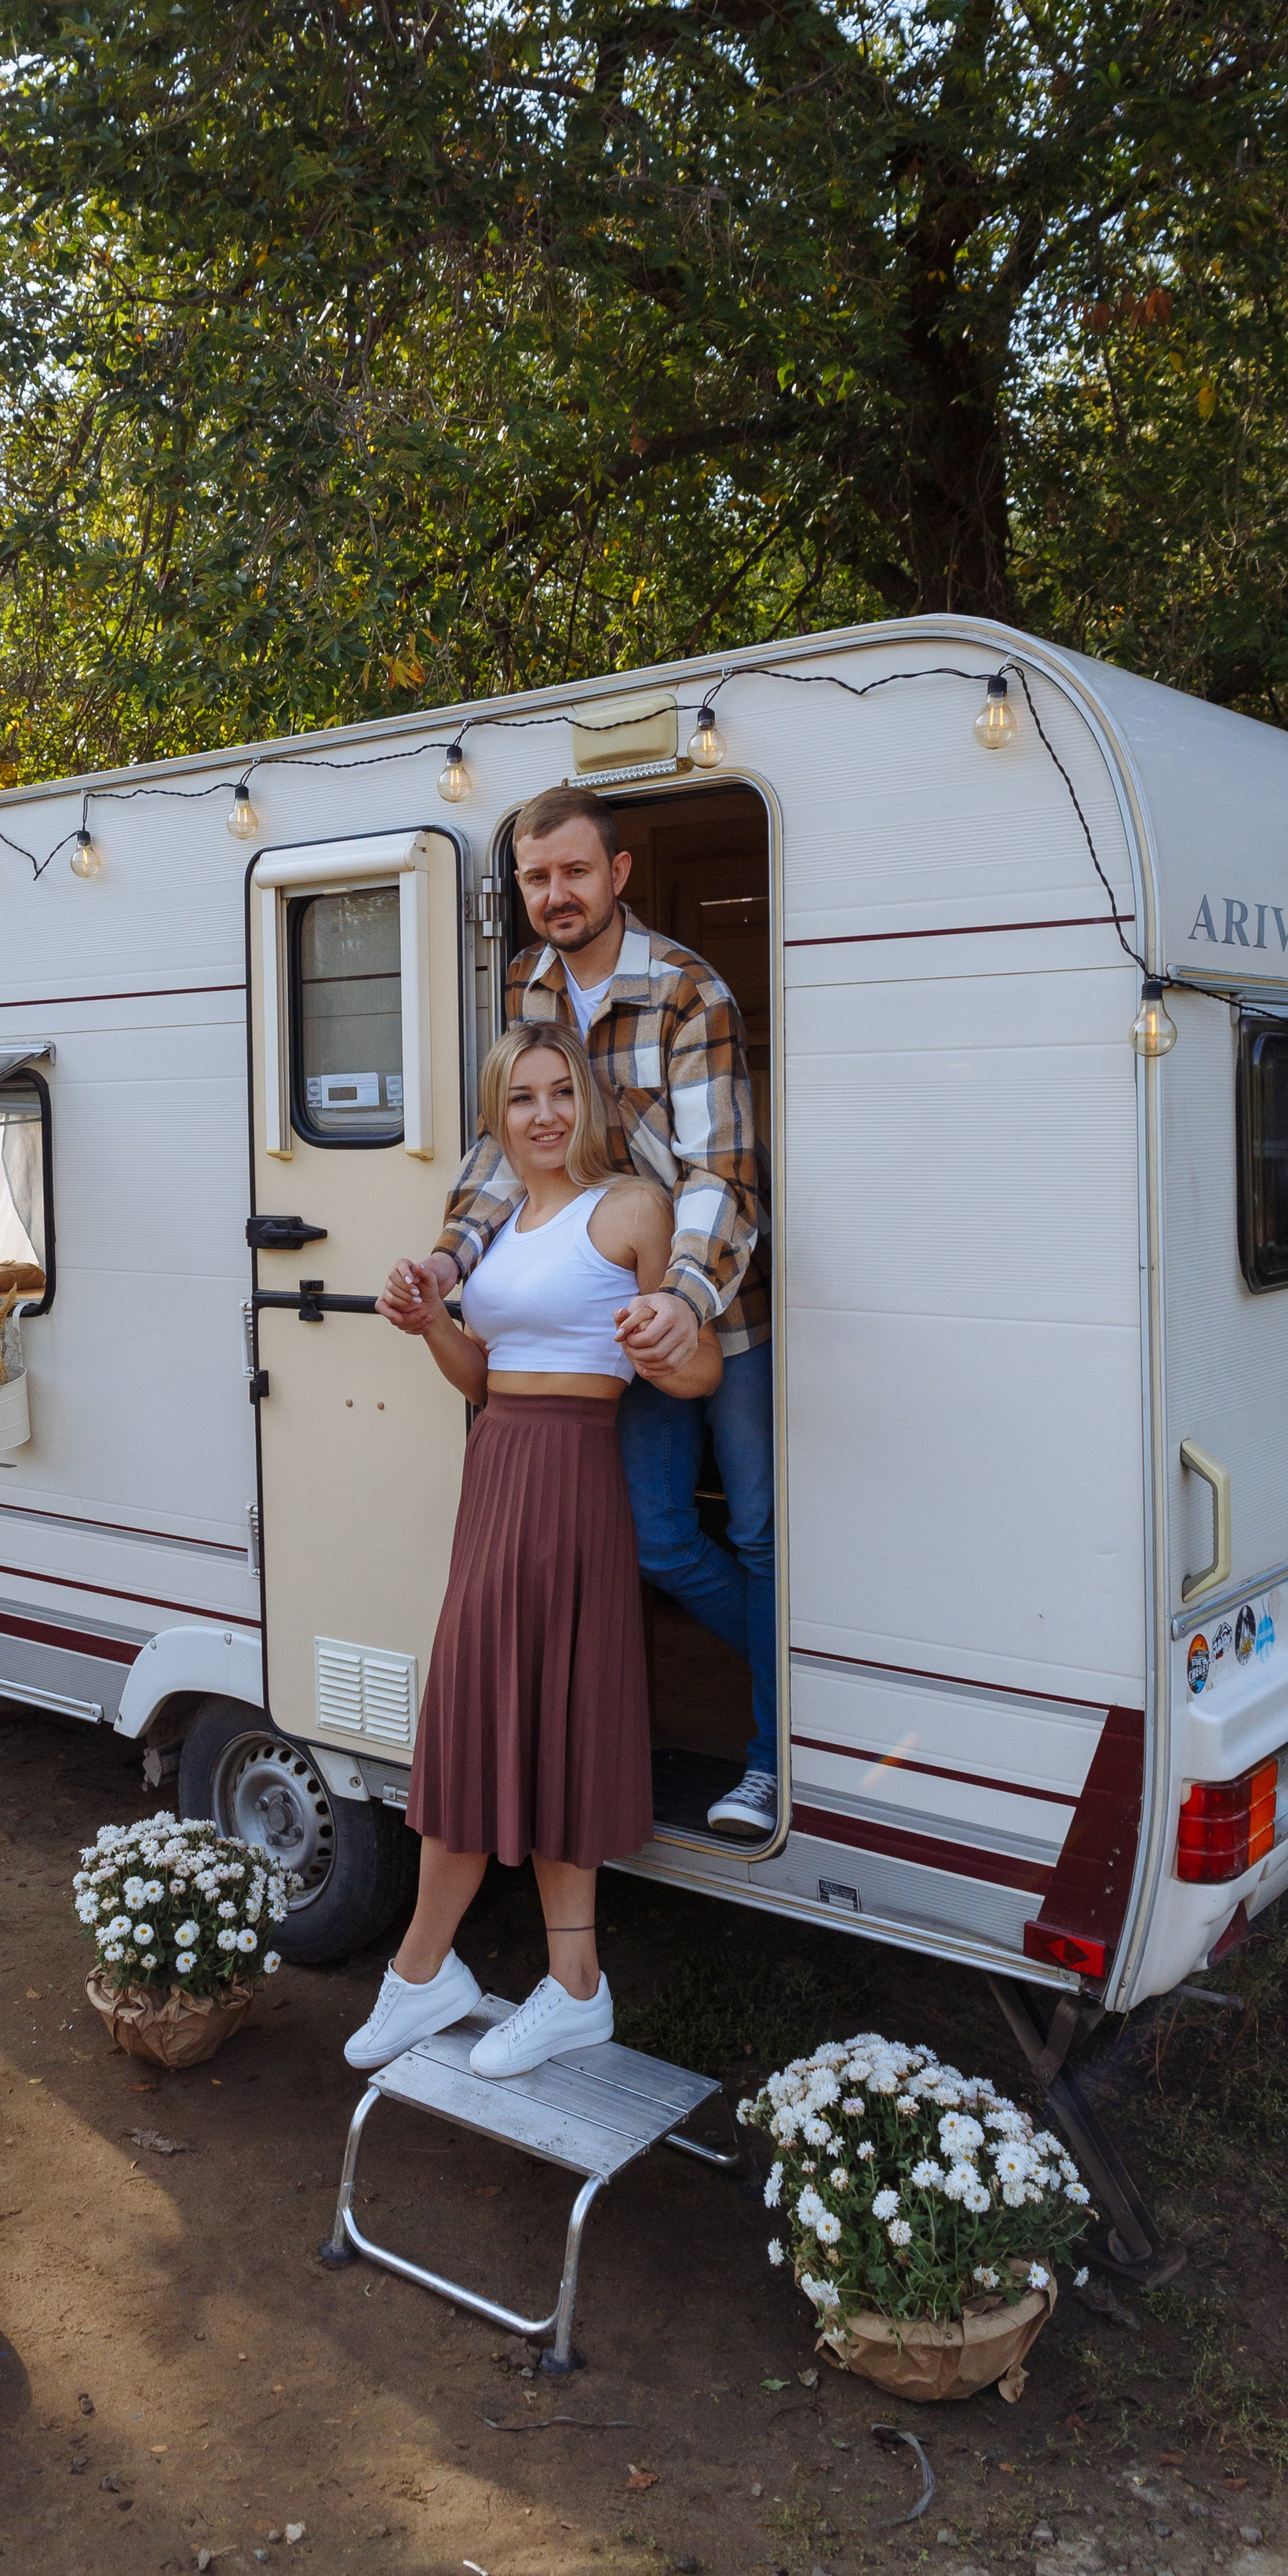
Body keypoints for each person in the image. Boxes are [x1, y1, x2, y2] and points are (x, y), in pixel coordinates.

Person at [398, 786, 779, 1841]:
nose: (555, 894)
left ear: (617, 876)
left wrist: (681, 1299)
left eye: (575, 872)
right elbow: (503, 1148)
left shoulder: (686, 989)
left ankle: (769, 1753)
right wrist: (445, 1261)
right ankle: (801, 1677)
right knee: (659, 1538)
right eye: (536, 877)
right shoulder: (526, 979)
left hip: (718, 1302)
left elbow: (721, 1174)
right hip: (613, 1318)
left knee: (752, 1529)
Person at [346, 1022, 724, 2078]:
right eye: (522, 1098)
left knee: (558, 1721)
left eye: (563, 1093)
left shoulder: (633, 1210)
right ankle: (435, 1975)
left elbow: (698, 1380)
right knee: (473, 1715)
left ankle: (566, 1988)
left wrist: (671, 1338)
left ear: (588, 1106)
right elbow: (484, 1377)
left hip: (574, 1480)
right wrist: (429, 1320)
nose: (546, 1113)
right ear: (497, 1117)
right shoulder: (499, 1224)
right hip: (498, 1471)